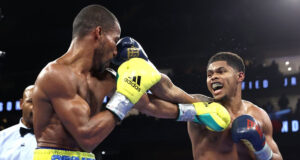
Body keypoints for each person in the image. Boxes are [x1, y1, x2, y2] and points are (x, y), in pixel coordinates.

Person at [32, 4, 162, 160]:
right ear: (99, 32)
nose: (116, 51)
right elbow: (87, 138)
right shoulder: (54, 74)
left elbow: (148, 103)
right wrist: (125, 97)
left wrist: (193, 110)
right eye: (115, 40)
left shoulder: (106, 77)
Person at [140, 52, 283, 160]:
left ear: (239, 76)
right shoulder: (200, 105)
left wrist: (260, 146)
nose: (213, 77)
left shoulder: (259, 115)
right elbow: (168, 89)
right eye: (209, 74)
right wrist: (143, 63)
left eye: (221, 71)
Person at [0, 85, 37, 160]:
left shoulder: (56, 139)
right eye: (31, 101)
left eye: (41, 102)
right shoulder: (2, 138)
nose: (36, 107)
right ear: (21, 104)